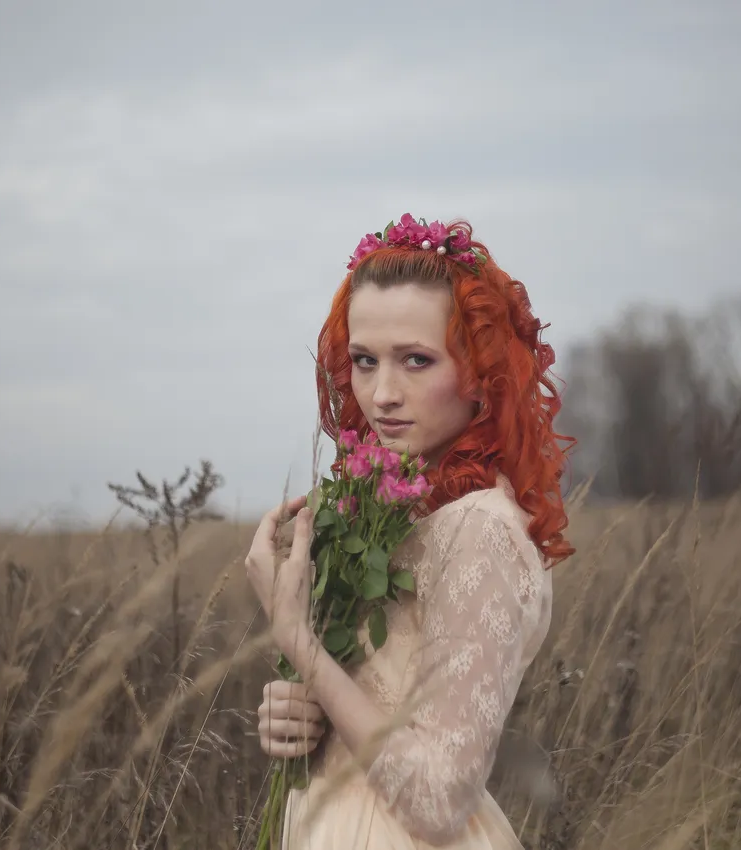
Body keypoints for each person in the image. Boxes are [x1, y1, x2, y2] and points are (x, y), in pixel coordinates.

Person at [244, 214, 575, 849]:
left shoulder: (482, 530)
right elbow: (372, 700)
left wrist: (297, 637)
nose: (383, 394)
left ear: (481, 371)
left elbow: (436, 799)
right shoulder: (384, 517)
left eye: (417, 361)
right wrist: (298, 717)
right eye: (365, 361)